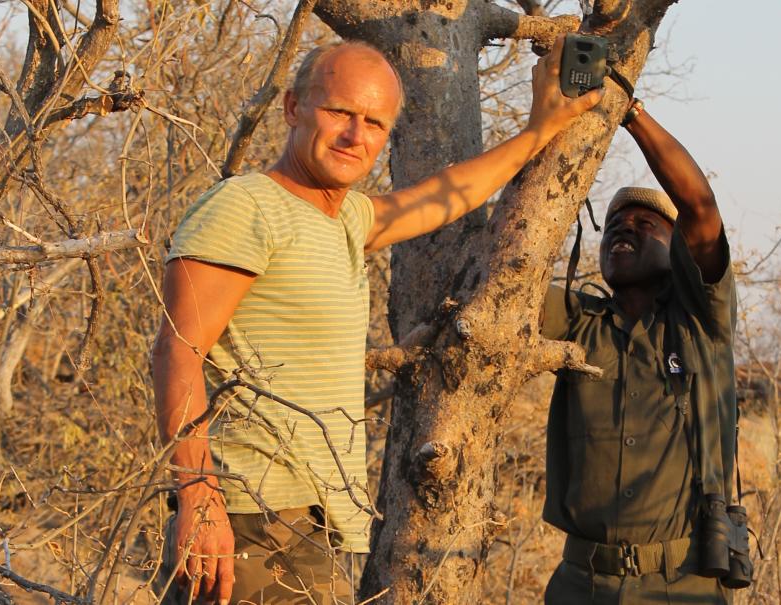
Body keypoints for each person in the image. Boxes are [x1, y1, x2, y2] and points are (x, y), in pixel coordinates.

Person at [152, 36, 602, 604]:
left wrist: (540, 130)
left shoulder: (344, 219)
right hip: (250, 518)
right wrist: (197, 496)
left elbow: (444, 196)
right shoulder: (246, 206)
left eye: (374, 122)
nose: (354, 135)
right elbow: (178, 352)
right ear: (293, 108)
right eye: (340, 112)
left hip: (313, 524)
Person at [539, 98, 739, 604]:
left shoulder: (700, 321)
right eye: (615, 225)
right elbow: (506, 279)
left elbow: (699, 208)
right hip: (579, 583)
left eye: (645, 224)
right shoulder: (579, 322)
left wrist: (627, 111)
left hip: (683, 583)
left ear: (678, 249)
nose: (625, 229)